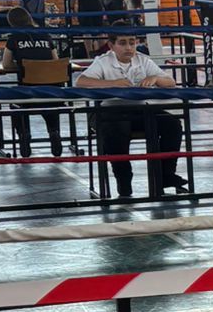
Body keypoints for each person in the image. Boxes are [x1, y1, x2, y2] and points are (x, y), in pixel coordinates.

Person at [74, 28, 186, 201]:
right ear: (111, 45)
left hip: (139, 110)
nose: (128, 47)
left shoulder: (143, 60)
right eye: (123, 43)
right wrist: (112, 84)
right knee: (118, 129)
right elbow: (81, 82)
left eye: (132, 43)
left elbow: (170, 82)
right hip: (107, 111)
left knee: (172, 124)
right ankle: (124, 179)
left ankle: (165, 175)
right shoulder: (103, 61)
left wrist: (156, 79)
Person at [3, 4, 64, 159]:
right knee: (49, 102)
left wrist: (22, 65)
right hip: (52, 91)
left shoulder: (13, 38)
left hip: (28, 92)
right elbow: (55, 61)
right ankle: (54, 131)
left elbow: (6, 65)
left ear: (11, 23)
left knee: (15, 102)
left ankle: (24, 134)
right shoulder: (45, 35)